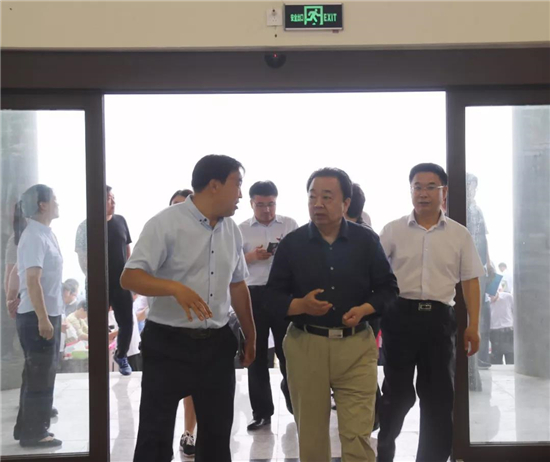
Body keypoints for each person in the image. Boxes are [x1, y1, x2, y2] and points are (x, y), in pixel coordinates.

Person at [120, 154, 256, 462]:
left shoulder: (232, 230)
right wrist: (174, 288)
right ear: (214, 185)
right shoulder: (165, 223)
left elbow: (237, 285)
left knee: (217, 437)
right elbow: (130, 277)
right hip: (168, 344)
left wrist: (251, 334)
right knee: (154, 435)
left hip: (217, 345)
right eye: (237, 184)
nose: (240, 195)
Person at [267, 168, 398, 462]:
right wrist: (301, 305)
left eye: (327, 197)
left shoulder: (366, 241)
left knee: (358, 435)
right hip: (306, 345)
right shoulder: (292, 243)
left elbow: (388, 289)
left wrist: (365, 309)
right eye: (312, 197)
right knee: (312, 436)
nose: (318, 204)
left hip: (356, 347)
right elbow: (272, 297)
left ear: (345, 203)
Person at [377, 163, 484, 462]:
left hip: (439, 321)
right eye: (417, 187)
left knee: (438, 397)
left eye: (430, 187)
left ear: (443, 192)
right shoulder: (393, 230)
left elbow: (470, 281)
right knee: (397, 394)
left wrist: (473, 325)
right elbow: (375, 273)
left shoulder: (459, 234)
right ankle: (384, 449)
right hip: (400, 317)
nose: (422, 193)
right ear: (411, 190)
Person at [239, 180, 298, 430]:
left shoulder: (290, 225)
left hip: (283, 293)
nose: (267, 210)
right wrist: (251, 257)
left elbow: (302, 257)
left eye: (271, 204)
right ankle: (261, 412)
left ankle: (296, 404)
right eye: (261, 205)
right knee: (256, 354)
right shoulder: (240, 229)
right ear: (251, 204)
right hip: (253, 294)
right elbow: (230, 264)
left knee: (290, 353)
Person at [13, 184, 64, 448]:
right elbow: (33, 280)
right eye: (54, 199)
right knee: (40, 376)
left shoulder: (44, 233)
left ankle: (26, 428)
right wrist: (43, 319)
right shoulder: (34, 235)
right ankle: (34, 433)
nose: (58, 202)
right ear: (42, 205)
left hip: (45, 313)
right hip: (36, 316)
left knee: (36, 374)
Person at [75, 185, 134, 375]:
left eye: (113, 197)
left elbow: (127, 249)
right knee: (97, 324)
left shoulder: (121, 221)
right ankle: (98, 361)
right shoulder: (85, 226)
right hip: (97, 283)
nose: (113, 201)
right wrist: (95, 279)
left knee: (127, 322)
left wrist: (128, 272)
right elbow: (82, 257)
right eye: (109, 198)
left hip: (121, 281)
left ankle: (121, 355)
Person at [343, 182, 382, 431]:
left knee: (358, 366)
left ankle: (373, 414)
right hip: (368, 311)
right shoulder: (369, 234)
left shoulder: (360, 237)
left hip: (359, 313)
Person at [168, 187, 197, 456]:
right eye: (175, 205)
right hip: (166, 328)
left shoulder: (206, 241)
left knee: (192, 389)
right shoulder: (160, 237)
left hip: (196, 328)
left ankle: (189, 433)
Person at [489, 284, 514, 364]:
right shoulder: (485, 303)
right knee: (496, 360)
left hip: (508, 331)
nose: (491, 298)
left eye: (492, 295)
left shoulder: (508, 297)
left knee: (511, 358)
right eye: (489, 296)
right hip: (494, 333)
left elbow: (515, 312)